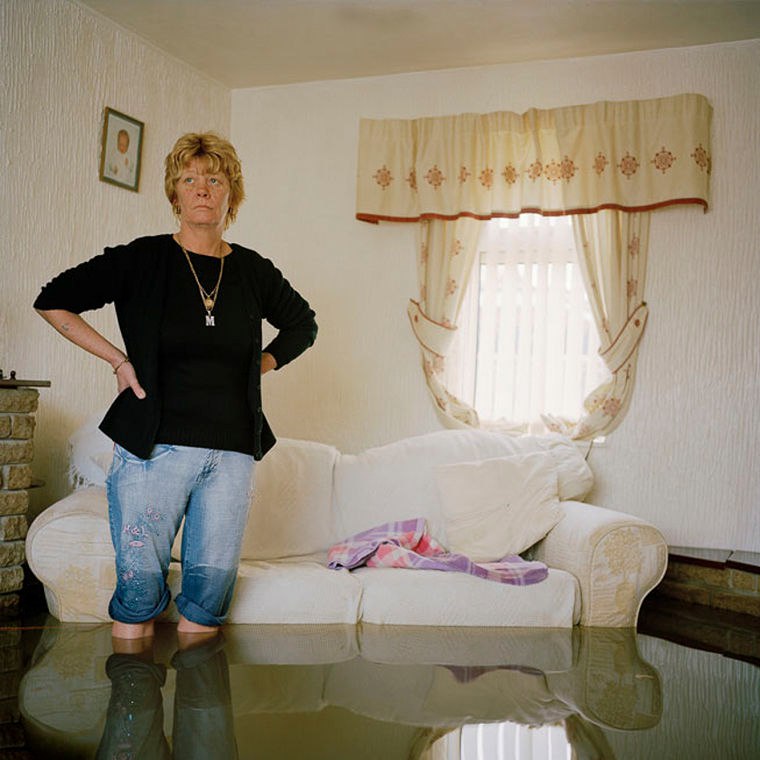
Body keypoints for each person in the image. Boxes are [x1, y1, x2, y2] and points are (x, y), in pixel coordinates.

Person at [34, 132, 317, 640]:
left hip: (231, 454)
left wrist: (261, 363)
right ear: (175, 194)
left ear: (232, 195)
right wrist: (118, 359)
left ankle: (197, 689)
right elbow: (53, 300)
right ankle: (131, 689)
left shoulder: (252, 270)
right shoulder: (143, 259)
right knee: (138, 600)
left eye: (215, 180)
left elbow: (303, 324)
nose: (202, 188)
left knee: (208, 605)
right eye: (189, 179)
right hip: (154, 450)